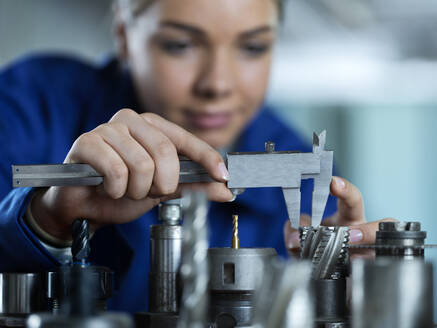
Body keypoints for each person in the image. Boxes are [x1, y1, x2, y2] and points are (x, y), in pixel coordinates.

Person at [0, 0, 390, 314]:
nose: (217, 84)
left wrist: (346, 301)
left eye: (252, 47)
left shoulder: (302, 171)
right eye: (180, 45)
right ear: (123, 35)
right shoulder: (26, 108)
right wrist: (45, 222)